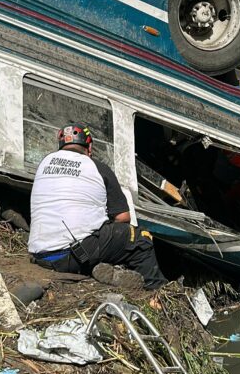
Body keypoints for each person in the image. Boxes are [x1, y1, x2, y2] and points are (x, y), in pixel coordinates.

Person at [28, 123, 168, 289]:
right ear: (90, 147)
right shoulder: (97, 167)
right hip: (70, 256)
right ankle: (156, 293)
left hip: (39, 255)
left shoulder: (44, 164)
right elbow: (123, 217)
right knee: (139, 238)